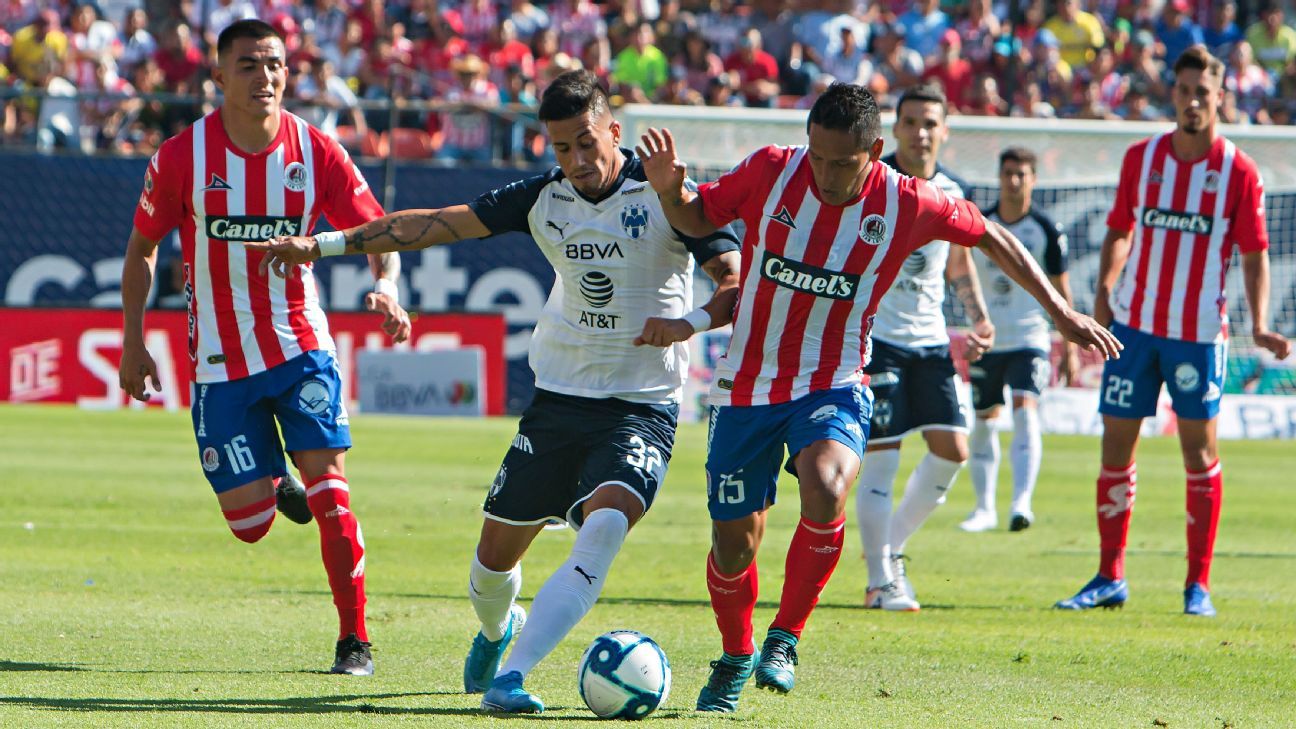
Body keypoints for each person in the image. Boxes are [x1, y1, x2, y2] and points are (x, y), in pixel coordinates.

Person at [249, 70, 742, 714]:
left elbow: (735, 283)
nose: (577, 160)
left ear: (613, 131)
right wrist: (322, 244)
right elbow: (430, 224)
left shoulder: (671, 195)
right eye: (561, 148)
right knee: (490, 566)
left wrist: (688, 324)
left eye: (587, 143)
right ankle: (496, 631)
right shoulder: (541, 197)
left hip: (641, 407)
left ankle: (512, 675)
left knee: (606, 524)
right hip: (558, 402)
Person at [637, 82, 1120, 714]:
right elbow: (698, 219)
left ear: (875, 150)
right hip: (746, 384)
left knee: (829, 483)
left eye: (843, 163)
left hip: (833, 377)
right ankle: (734, 654)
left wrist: (1059, 312)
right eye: (819, 158)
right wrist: (672, 189)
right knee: (735, 545)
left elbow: (994, 237)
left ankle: (785, 636)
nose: (827, 175)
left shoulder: (908, 201)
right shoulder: (771, 170)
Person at [117, 19, 411, 676]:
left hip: (302, 347)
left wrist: (389, 287)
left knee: (333, 493)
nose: (265, 76)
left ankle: (354, 639)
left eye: (274, 64)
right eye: (248, 64)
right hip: (219, 362)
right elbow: (143, 247)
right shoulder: (180, 157)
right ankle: (276, 483)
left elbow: (378, 231)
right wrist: (133, 340)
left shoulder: (318, 151)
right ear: (218, 77)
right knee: (249, 523)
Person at [1056, 47, 1290, 617]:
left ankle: (1197, 586)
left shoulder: (1239, 170)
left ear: (1220, 98)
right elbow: (1119, 229)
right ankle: (1110, 575)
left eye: (1202, 93)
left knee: (1199, 454)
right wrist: (1105, 293)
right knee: (1115, 449)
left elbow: (1256, 253)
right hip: (1133, 328)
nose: (1191, 101)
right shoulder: (1143, 158)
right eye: (1183, 90)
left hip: (1197, 333)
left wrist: (1258, 323)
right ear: (1174, 95)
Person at [853, 83, 994, 613]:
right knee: (883, 462)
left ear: (945, 130)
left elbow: (959, 262)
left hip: (930, 340)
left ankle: (889, 551)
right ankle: (878, 580)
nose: (921, 132)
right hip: (876, 341)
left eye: (930, 122)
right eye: (911, 122)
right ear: (896, 128)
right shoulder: (873, 182)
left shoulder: (953, 193)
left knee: (953, 449)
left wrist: (979, 317)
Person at [961, 147, 1077, 534]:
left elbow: (1062, 291)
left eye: (1021, 175)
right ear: (999, 176)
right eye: (1008, 173)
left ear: (1034, 180)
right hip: (989, 338)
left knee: (1026, 409)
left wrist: (1070, 348)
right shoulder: (980, 224)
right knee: (984, 420)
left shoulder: (1045, 230)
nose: (1014, 181)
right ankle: (983, 508)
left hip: (1030, 337)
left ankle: (1020, 502)